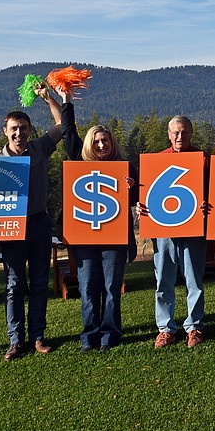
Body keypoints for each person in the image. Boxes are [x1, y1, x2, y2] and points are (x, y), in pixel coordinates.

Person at [0, 83, 67, 360]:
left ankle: (38, 337)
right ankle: (16, 341)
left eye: (23, 128)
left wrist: (47, 98)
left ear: (30, 130)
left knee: (39, 283)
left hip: (39, 224)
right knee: (14, 285)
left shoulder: (39, 149)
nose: (19, 133)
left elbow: (62, 124)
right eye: (14, 128)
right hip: (11, 228)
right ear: (5, 131)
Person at [63, 113, 137, 352]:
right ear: (89, 145)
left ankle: (110, 335)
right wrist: (66, 102)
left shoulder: (126, 168)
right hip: (85, 239)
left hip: (114, 239)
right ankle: (89, 336)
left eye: (105, 140)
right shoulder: (80, 166)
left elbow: (138, 201)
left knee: (111, 288)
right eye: (96, 141)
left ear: (113, 143)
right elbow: (69, 134)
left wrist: (132, 189)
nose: (102, 145)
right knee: (87, 289)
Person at [146, 116, 210, 349]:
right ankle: (166, 329)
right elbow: (148, 195)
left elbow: (214, 191)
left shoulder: (203, 158)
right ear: (168, 134)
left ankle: (194, 327)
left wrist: (208, 205)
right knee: (163, 279)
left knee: (194, 280)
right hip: (164, 230)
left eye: (184, 132)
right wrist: (143, 206)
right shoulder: (157, 160)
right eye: (175, 132)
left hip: (194, 229)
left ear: (191, 133)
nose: (180, 136)